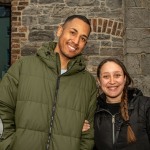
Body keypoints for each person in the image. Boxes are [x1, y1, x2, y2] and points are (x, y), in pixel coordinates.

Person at [0, 15, 97, 150]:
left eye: (83, 38)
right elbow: (3, 107)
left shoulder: (88, 83)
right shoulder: (23, 67)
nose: (76, 41)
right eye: (73, 32)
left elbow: (89, 133)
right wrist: (9, 145)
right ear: (59, 30)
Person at [83, 57, 150, 150]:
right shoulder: (93, 111)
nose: (112, 81)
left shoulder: (145, 106)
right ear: (99, 81)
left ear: (124, 78)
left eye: (117, 75)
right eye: (106, 76)